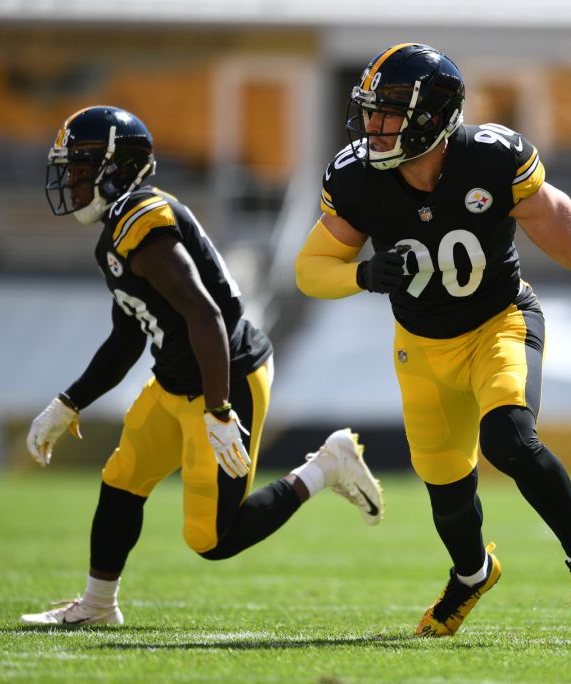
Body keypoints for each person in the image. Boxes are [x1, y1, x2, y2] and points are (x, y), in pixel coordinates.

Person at [295, 44, 571, 636]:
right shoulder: (359, 176)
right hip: (420, 344)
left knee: (509, 439)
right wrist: (359, 274)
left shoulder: (493, 160)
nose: (374, 125)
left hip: (500, 321)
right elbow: (310, 268)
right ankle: (472, 575)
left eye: (389, 111)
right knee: (446, 489)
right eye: (370, 110)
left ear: (433, 118)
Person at [21, 105, 384, 626]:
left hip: (227, 375)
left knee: (211, 538)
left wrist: (218, 409)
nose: (72, 183)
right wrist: (68, 402)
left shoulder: (144, 224)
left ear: (117, 169)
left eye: (81, 170)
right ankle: (98, 607)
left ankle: (326, 465)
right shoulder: (118, 234)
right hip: (176, 378)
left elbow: (205, 314)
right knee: (122, 478)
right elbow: (127, 336)